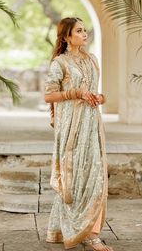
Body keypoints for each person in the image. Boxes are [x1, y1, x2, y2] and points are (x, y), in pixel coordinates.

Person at [44, 17, 114, 251]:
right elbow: (49, 96)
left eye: (85, 30)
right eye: (79, 31)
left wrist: (99, 97)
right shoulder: (60, 63)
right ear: (66, 37)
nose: (85, 34)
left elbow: (94, 92)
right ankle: (73, 229)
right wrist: (75, 93)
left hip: (91, 125)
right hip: (71, 129)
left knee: (95, 175)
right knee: (73, 178)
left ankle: (91, 234)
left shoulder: (92, 60)